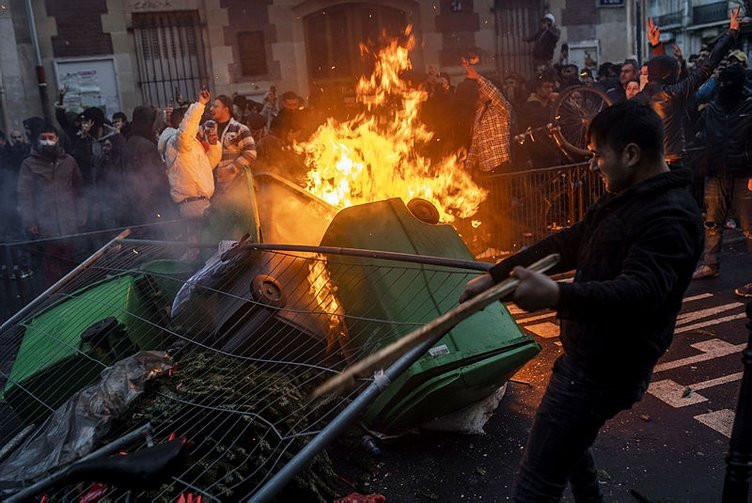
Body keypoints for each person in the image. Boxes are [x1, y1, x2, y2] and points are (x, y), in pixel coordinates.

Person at [459, 101, 703, 501]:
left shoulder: (669, 217)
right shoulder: (628, 197)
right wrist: (495, 275)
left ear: (630, 154)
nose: (593, 166)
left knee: (536, 483)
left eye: (597, 156)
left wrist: (556, 295)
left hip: (604, 371)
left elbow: (638, 294)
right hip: (587, 359)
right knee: (570, 446)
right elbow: (570, 241)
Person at [639, 9, 740, 168]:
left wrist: (656, 45)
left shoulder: (642, 96)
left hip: (650, 163)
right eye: (675, 70)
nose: (678, 72)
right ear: (670, 74)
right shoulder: (673, 93)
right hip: (673, 162)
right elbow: (708, 65)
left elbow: (660, 70)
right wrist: (732, 33)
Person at [691, 65, 752, 288]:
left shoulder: (749, 106)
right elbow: (700, 130)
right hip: (717, 171)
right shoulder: (713, 108)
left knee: (749, 226)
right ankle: (710, 264)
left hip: (744, 173)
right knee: (712, 221)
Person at [17, 124, 86, 283]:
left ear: (57, 140)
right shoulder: (29, 164)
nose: (47, 142)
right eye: (44, 138)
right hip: (45, 222)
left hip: (69, 220)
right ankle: (57, 298)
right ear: (37, 140)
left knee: (71, 261)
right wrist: (30, 220)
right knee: (52, 263)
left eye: (51, 138)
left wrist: (82, 213)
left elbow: (79, 190)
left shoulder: (69, 161)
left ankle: (75, 294)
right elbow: (24, 195)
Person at [205, 94, 260, 243]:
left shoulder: (239, 129)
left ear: (226, 109)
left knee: (239, 228)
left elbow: (250, 153)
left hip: (236, 189)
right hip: (214, 190)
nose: (211, 109)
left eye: (215, 106)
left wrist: (230, 169)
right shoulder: (208, 128)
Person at [122, 105, 174, 226]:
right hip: (151, 206)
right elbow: (156, 178)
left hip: (136, 205)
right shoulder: (145, 146)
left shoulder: (131, 142)